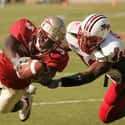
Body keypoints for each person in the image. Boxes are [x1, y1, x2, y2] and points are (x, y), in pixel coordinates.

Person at [47, 13, 125, 123]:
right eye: (82, 36)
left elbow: (89, 76)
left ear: (101, 39)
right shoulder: (73, 32)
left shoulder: (111, 49)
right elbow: (59, 47)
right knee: (105, 117)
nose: (84, 42)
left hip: (122, 80)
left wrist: (59, 82)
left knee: (106, 116)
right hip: (117, 80)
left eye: (90, 40)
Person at [0, 16, 69, 121]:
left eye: (50, 41)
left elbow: (48, 76)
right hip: (3, 64)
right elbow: (7, 45)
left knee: (2, 108)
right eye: (44, 37)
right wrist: (15, 61)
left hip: (16, 83)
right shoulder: (25, 27)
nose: (45, 43)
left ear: (57, 43)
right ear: (40, 30)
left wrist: (36, 71)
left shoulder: (58, 54)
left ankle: (23, 103)